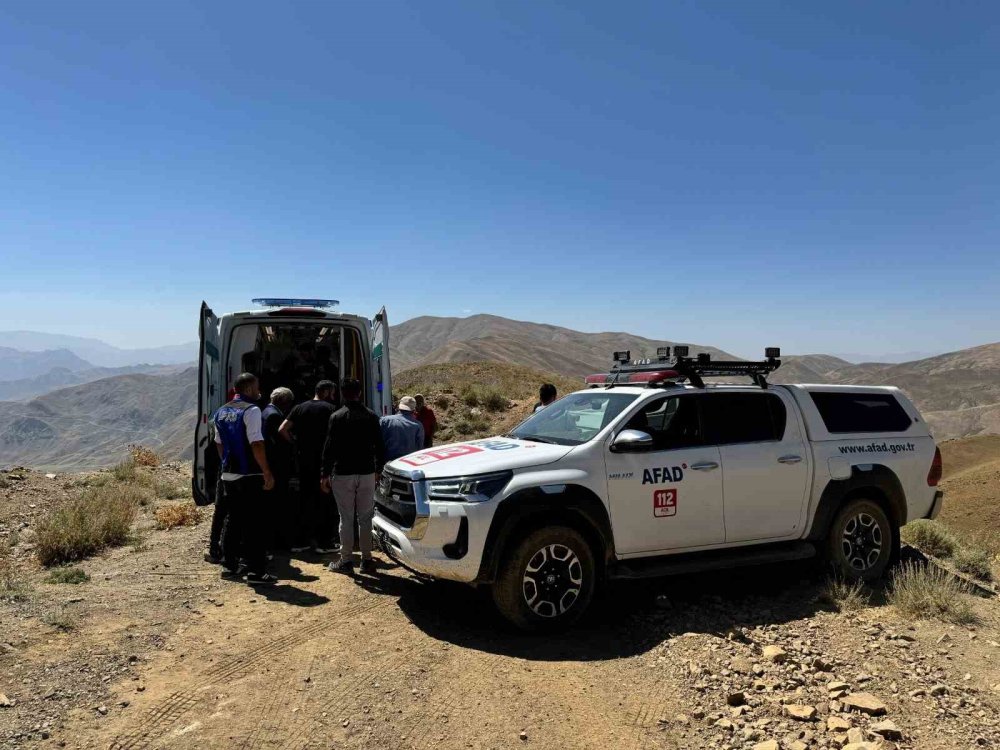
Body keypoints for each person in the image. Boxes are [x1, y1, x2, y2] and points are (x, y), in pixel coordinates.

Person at [214, 372, 276, 584]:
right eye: (257, 386)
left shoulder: (221, 411)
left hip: (228, 474)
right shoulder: (252, 410)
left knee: (233, 520)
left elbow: (219, 443)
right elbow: (256, 443)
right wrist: (266, 471)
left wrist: (226, 462)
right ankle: (256, 572)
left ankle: (230, 564)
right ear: (249, 388)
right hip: (250, 474)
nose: (259, 390)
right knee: (255, 523)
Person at [321, 378, 385, 574]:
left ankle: (346, 560)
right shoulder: (372, 416)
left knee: (346, 517)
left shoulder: (337, 416)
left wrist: (324, 473)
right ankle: (367, 560)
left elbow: (329, 448)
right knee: (366, 517)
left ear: (342, 393)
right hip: (366, 473)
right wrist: (378, 470)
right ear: (359, 392)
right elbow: (380, 446)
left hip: (343, 474)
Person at [279, 380, 338, 554]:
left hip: (304, 460)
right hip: (323, 462)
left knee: (304, 500)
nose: (333, 396)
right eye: (332, 393)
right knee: (325, 501)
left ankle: (300, 541)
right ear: (326, 392)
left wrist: (295, 443)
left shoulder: (299, 408)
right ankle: (323, 543)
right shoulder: (331, 409)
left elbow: (282, 429)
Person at [261, 387, 295, 550]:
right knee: (278, 502)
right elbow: (278, 442)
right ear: (284, 402)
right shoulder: (274, 415)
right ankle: (278, 541)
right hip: (276, 465)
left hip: (271, 463)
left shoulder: (266, 411)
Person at [380, 396, 425, 463]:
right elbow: (419, 448)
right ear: (413, 410)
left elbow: (377, 441)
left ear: (399, 406)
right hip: (407, 465)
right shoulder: (418, 425)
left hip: (387, 464)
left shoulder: (385, 420)